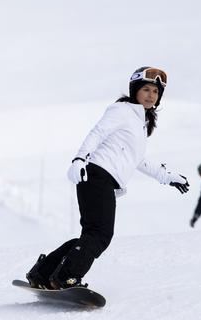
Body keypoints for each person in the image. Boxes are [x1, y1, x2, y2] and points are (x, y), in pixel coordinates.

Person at [26, 66, 189, 289]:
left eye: (155, 92)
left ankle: (44, 274)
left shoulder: (139, 123)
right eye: (146, 90)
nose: (151, 95)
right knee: (100, 235)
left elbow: (137, 159)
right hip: (96, 175)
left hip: (100, 179)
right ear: (135, 90)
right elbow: (98, 133)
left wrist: (167, 176)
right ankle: (66, 277)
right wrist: (79, 159)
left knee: (91, 236)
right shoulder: (122, 111)